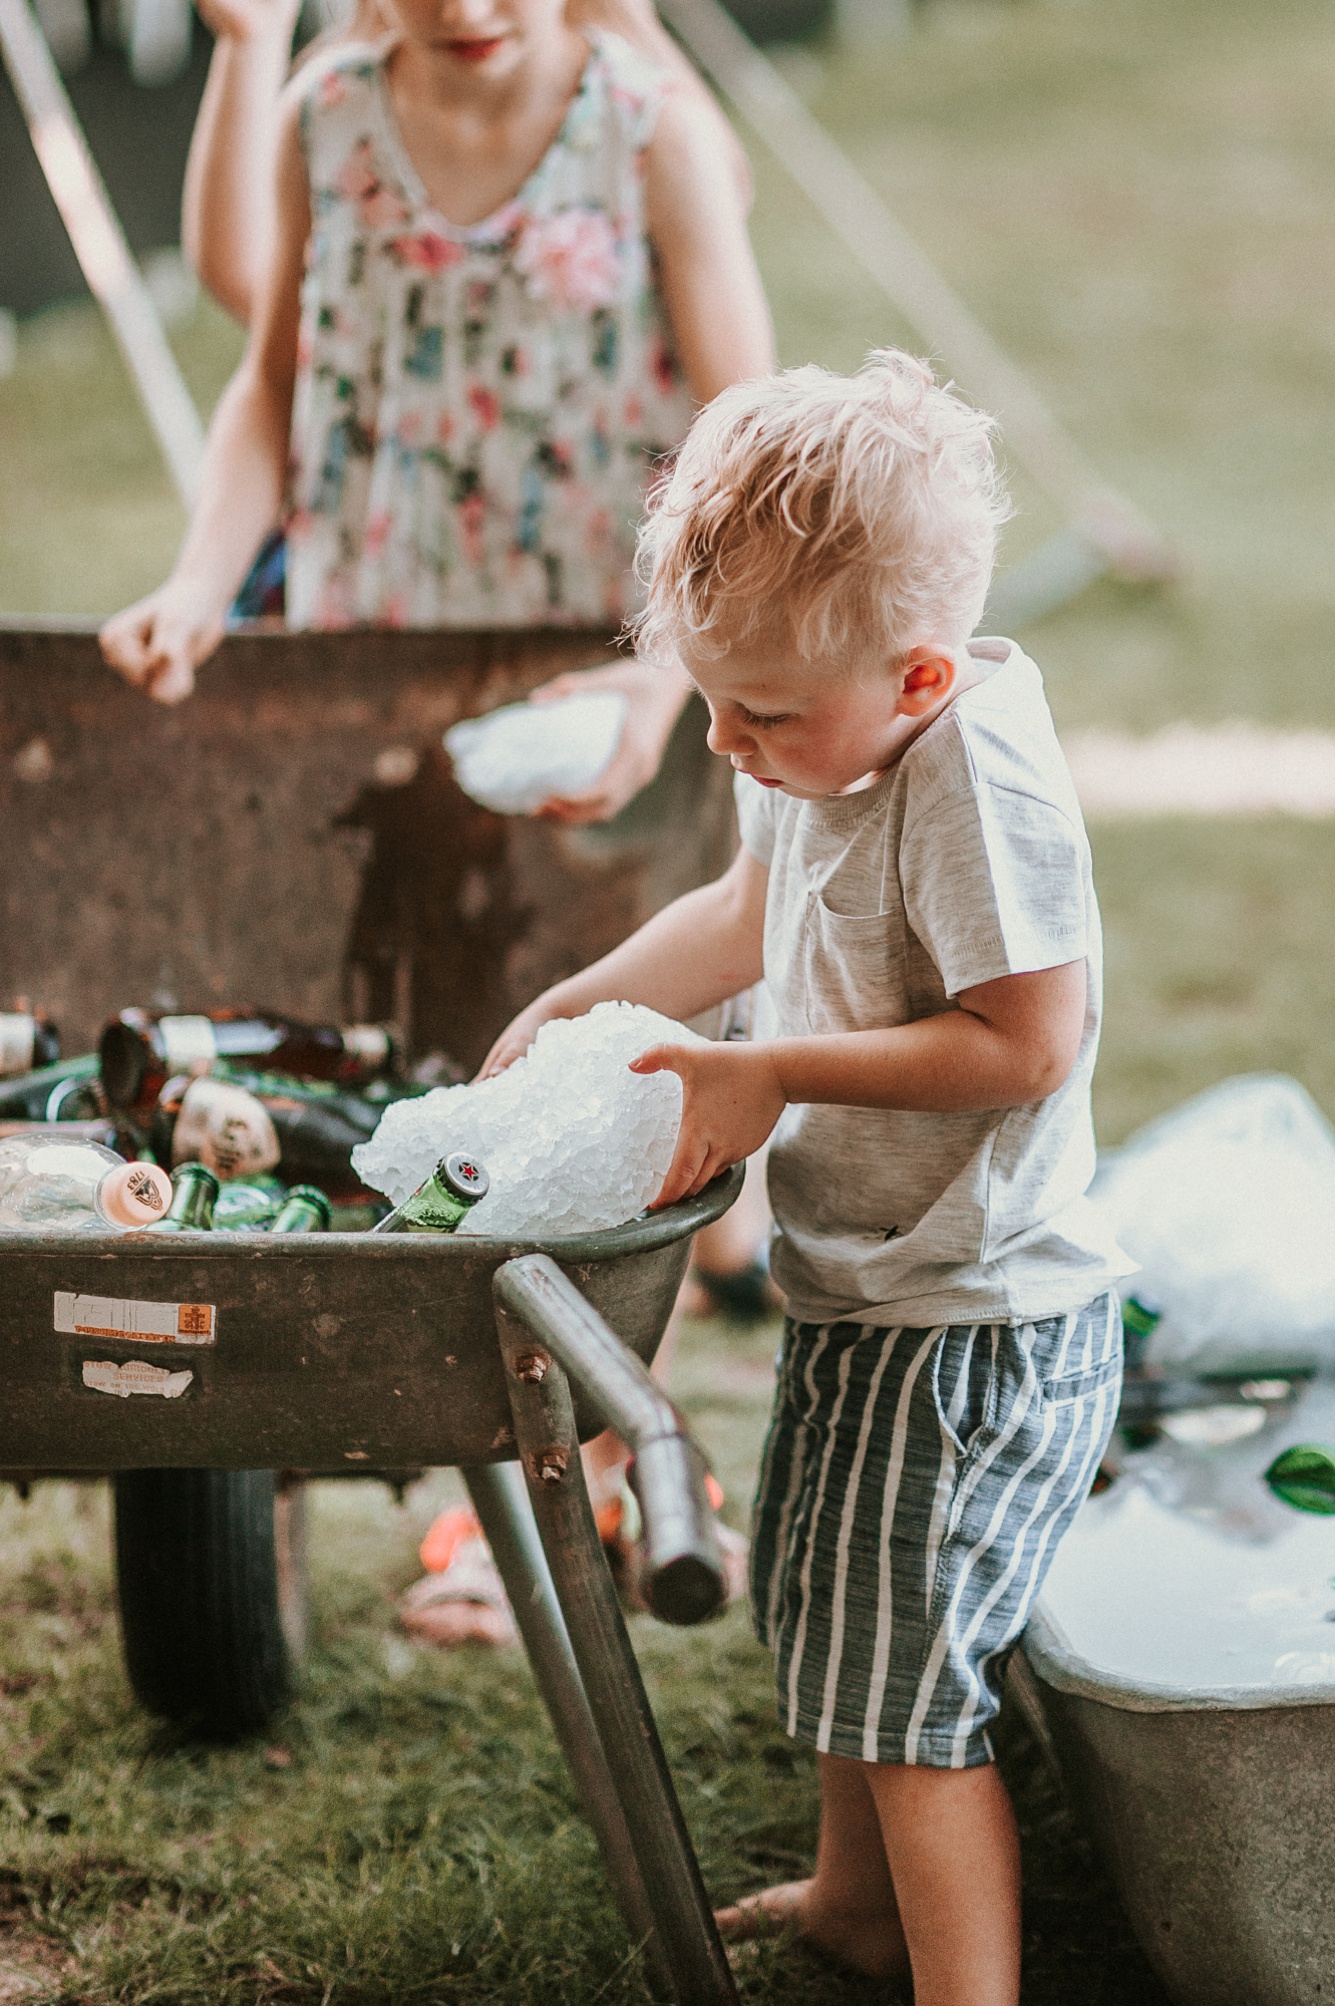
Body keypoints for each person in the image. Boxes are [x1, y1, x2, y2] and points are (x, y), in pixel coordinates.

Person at [481, 349, 1132, 2002]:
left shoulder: (974, 783)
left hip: (978, 1317)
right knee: (846, 1617)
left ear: (920, 677)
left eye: (757, 712)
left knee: (918, 1699)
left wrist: (770, 1069)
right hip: (869, 1284)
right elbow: (742, 913)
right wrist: (587, 1000)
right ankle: (856, 1911)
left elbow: (1025, 1043)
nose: (725, 738)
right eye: (711, 698)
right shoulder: (815, 745)